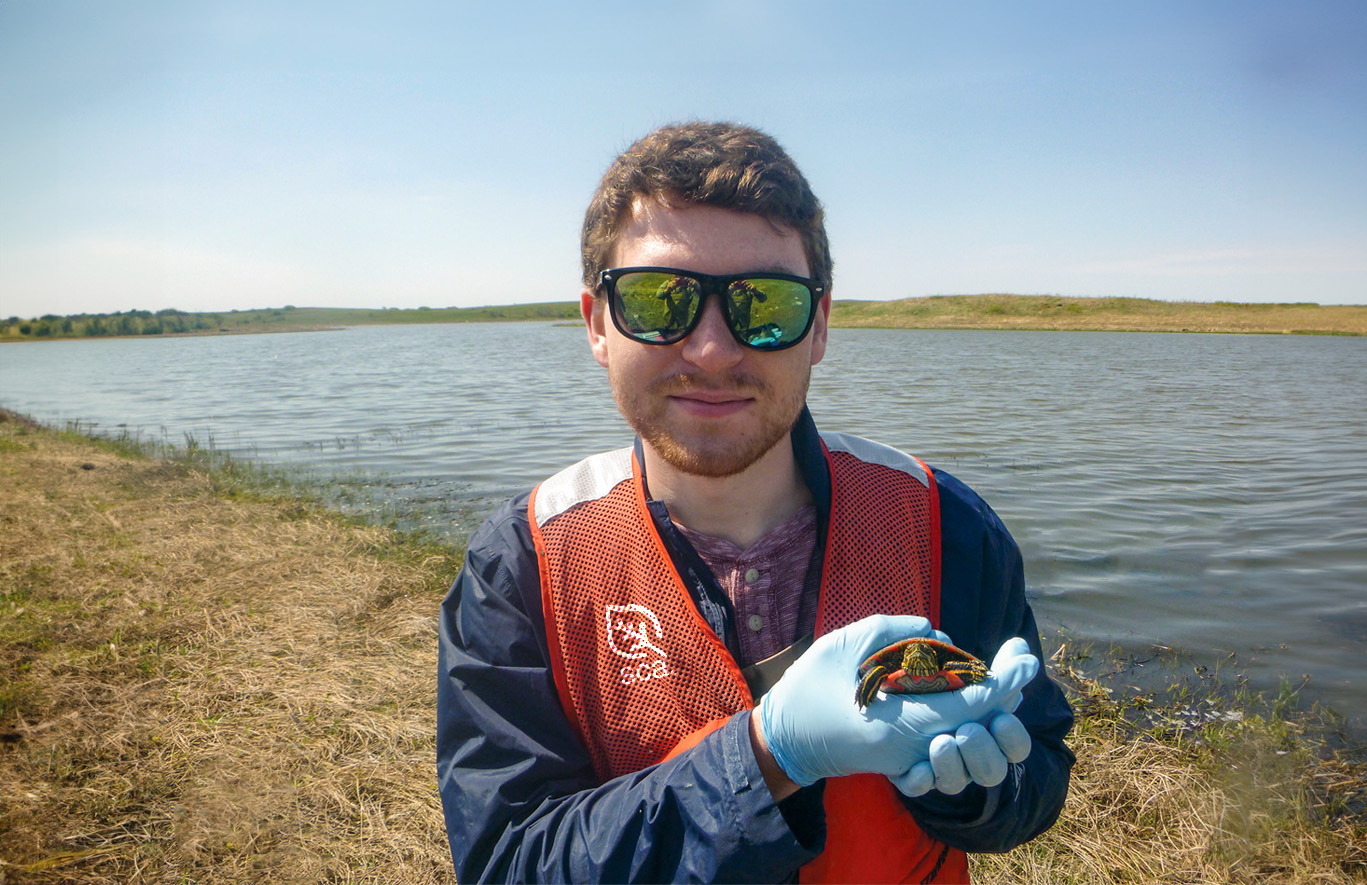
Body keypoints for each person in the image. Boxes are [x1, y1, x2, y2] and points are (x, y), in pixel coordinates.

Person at [437, 121, 1074, 883]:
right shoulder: (522, 564)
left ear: (822, 325)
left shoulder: (943, 522)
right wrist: (768, 756)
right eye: (659, 301)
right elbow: (509, 861)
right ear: (596, 323)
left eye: (763, 303)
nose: (711, 350)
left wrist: (977, 790)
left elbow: (1037, 771)